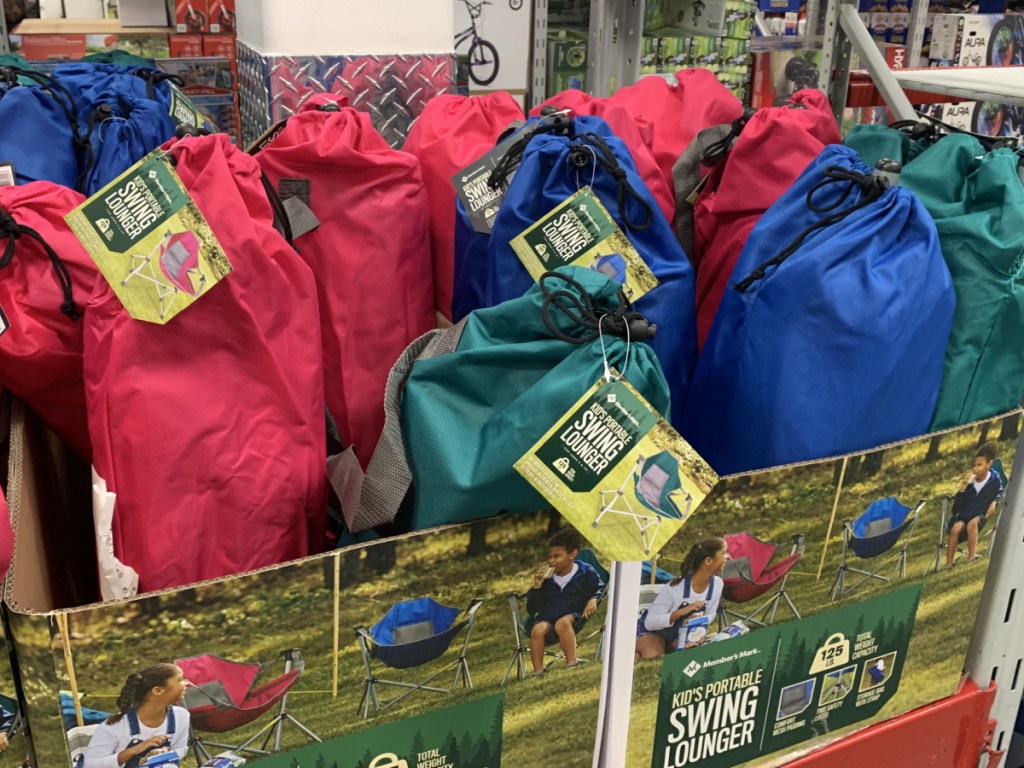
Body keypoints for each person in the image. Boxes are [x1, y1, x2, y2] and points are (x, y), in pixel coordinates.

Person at [525, 528, 604, 674]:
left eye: (557, 556)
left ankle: (571, 663)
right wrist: (537, 586)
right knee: (537, 629)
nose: (551, 561)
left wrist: (593, 599)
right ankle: (538, 671)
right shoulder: (547, 580)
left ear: (572, 555)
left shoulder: (585, 571)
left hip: (573, 613)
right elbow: (531, 609)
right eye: (549, 557)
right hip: (547, 617)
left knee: (562, 623)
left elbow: (599, 587)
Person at [636, 537, 729, 660]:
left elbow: (711, 613)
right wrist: (681, 612)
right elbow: (650, 623)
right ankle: (635, 647)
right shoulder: (675, 587)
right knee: (655, 656)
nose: (727, 557)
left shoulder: (717, 584)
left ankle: (666, 648)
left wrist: (699, 618)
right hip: (654, 632)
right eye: (723, 553)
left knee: (690, 654)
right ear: (708, 561)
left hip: (681, 633)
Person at [82, 664, 190, 768]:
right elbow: (91, 765)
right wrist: (134, 750)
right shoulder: (115, 726)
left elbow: (181, 749)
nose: (187, 683)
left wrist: (165, 752)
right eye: (180, 680)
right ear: (158, 691)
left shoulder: (181, 716)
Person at [945, 442, 1003, 567]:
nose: (975, 468)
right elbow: (956, 510)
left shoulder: (994, 478)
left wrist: (995, 502)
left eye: (979, 465)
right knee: (955, 529)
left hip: (980, 514)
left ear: (989, 464)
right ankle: (949, 563)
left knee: (972, 524)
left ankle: (971, 557)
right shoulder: (969, 485)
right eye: (975, 465)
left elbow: (999, 492)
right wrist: (963, 488)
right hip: (964, 516)